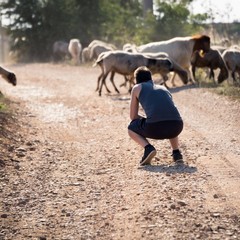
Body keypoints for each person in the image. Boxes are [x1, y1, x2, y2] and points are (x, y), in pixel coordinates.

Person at [128, 66, 184, 166]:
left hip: (155, 128)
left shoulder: (137, 88)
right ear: (151, 78)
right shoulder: (163, 88)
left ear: (137, 80)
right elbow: (168, 111)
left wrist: (147, 119)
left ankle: (148, 148)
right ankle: (177, 153)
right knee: (169, 117)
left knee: (131, 127)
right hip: (177, 126)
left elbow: (133, 116)